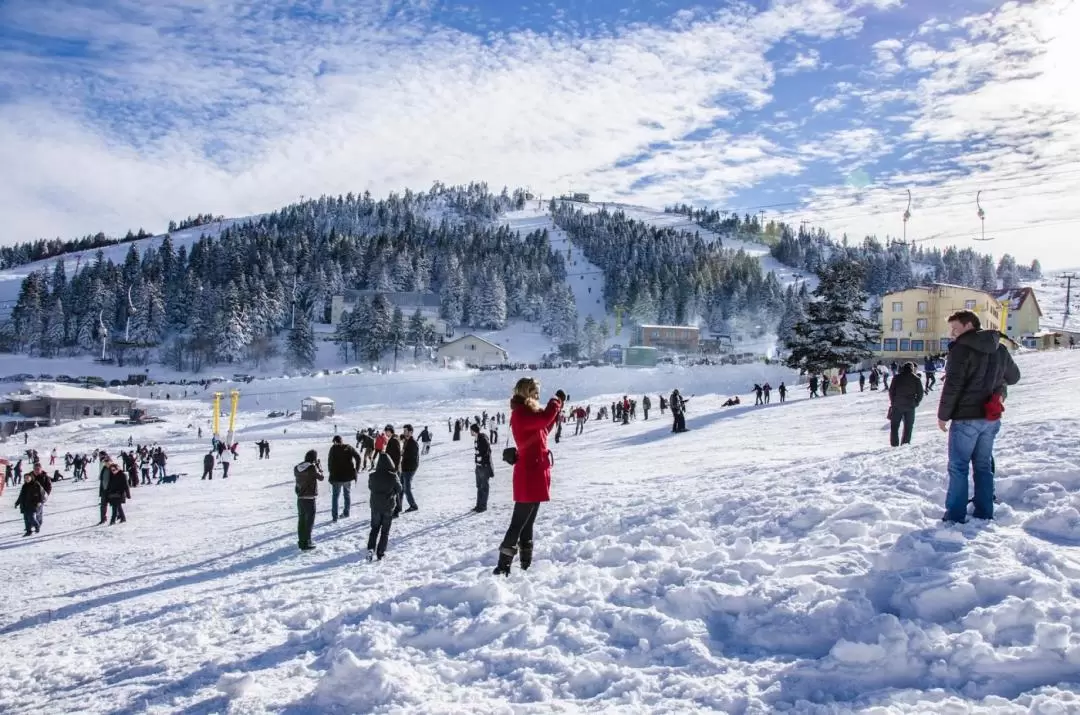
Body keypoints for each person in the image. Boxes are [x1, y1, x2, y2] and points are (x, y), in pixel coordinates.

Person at [937, 310, 1020, 523]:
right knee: (983, 465)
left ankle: (955, 516)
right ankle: (984, 511)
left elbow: (953, 385)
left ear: (968, 326)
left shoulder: (961, 350)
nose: (952, 333)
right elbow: (1014, 377)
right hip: (990, 418)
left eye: (955, 328)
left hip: (966, 417)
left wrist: (943, 416)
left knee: (958, 466)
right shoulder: (1000, 348)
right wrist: (998, 386)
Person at [493, 377, 563, 576]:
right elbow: (543, 421)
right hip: (529, 474)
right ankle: (502, 566)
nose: (539, 396)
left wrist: (557, 409)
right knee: (518, 522)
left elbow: (543, 429)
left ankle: (525, 564)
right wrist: (555, 402)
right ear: (528, 393)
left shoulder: (527, 413)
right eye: (536, 393)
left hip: (536, 471)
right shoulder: (521, 413)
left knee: (528, 522)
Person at [367, 438, 402, 561]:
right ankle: (380, 552)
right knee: (385, 531)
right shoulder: (393, 476)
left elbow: (370, 487)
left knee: (374, 529)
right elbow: (399, 488)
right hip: (388, 506)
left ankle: (370, 549)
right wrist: (391, 492)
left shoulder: (372, 475)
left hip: (375, 506)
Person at [888, 362, 924, 447]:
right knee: (908, 426)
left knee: (894, 426)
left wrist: (893, 402)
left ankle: (894, 445)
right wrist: (916, 402)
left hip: (897, 405)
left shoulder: (896, 377)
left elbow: (891, 391)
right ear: (912, 368)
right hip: (910, 406)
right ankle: (905, 444)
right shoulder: (916, 378)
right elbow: (920, 393)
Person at [294, 449, 324, 551]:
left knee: (301, 521)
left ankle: (301, 541)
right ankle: (308, 542)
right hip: (309, 498)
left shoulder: (297, 467)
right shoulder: (312, 468)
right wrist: (319, 467)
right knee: (309, 521)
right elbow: (321, 478)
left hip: (300, 498)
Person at [327, 435, 361, 521]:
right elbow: (358, 457)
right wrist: (356, 470)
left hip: (336, 477)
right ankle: (346, 513)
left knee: (335, 497)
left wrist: (331, 473)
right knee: (347, 495)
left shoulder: (333, 449)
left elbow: (330, 463)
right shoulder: (348, 447)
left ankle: (335, 517)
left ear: (334, 441)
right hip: (347, 477)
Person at [14, 472, 47, 536]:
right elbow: (21, 496)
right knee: (26, 519)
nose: (26, 479)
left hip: (33, 504)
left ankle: (37, 526)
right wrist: (17, 503)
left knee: (31, 518)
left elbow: (41, 494)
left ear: (31, 477)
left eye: (28, 477)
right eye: (25, 478)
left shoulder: (36, 484)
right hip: (24, 504)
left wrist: (39, 502)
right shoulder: (24, 486)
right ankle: (28, 531)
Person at [397, 424, 420, 514]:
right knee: (401, 488)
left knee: (406, 488)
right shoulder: (407, 441)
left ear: (411, 432)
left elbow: (413, 456)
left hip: (410, 469)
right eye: (404, 431)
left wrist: (402, 453)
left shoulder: (413, 443)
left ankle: (413, 505)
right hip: (405, 468)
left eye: (406, 431)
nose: (404, 432)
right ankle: (399, 507)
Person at [471, 423, 493, 512]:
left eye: (471, 430)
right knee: (479, 486)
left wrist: (483, 461)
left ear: (473, 430)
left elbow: (487, 451)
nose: (470, 432)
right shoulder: (476, 439)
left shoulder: (482, 438)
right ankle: (478, 505)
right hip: (479, 467)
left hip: (484, 467)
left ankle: (483, 506)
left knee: (484, 487)